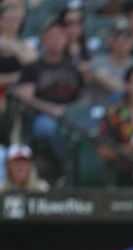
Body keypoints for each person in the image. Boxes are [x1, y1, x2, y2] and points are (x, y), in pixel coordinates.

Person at [14, 20, 83, 167]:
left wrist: (72, 111)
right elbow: (25, 97)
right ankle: (68, 167)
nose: (56, 41)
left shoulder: (73, 67)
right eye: (51, 37)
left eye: (60, 37)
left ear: (66, 40)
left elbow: (82, 96)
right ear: (43, 39)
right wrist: (51, 109)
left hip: (71, 114)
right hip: (42, 116)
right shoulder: (32, 67)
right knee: (48, 128)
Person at [88, 20, 133, 103]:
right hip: (105, 108)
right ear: (109, 40)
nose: (121, 42)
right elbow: (104, 79)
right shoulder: (98, 60)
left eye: (126, 38)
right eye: (117, 38)